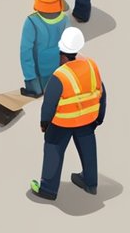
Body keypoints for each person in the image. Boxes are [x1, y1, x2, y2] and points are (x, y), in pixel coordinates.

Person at [31, 27, 106, 201]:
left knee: (53, 149)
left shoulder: (60, 76)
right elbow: (102, 92)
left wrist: (44, 124)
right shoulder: (91, 65)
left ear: (63, 54)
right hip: (88, 120)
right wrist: (99, 117)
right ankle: (90, 183)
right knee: (88, 148)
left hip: (62, 124)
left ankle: (48, 189)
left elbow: (49, 105)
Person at [20, 0, 70, 97]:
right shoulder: (65, 20)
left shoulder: (31, 22)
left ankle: (35, 90)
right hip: (60, 72)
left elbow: (25, 53)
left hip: (39, 74)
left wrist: (31, 82)